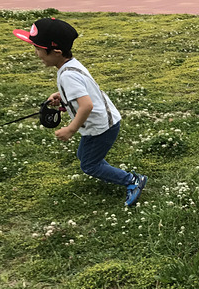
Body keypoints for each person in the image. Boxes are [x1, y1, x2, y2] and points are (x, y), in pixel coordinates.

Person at [12, 18, 147, 206]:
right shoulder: (70, 65)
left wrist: (70, 129)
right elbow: (84, 90)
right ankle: (111, 172)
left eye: (38, 49)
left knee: (89, 164)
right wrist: (63, 96)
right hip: (102, 123)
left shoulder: (68, 75)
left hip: (101, 127)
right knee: (86, 157)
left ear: (56, 52)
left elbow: (86, 106)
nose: (36, 54)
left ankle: (132, 180)